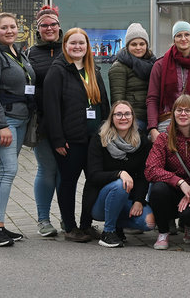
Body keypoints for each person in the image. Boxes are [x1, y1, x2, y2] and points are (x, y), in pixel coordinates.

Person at [44, 27, 110, 242]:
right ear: (65, 45)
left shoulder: (93, 70)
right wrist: (58, 139)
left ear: (87, 46)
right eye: (73, 43)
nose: (77, 47)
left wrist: (107, 131)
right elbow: (51, 108)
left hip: (93, 139)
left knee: (92, 182)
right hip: (70, 140)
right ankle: (70, 227)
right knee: (68, 183)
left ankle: (86, 225)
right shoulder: (58, 71)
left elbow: (103, 105)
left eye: (82, 43)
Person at [0, 12, 36, 247]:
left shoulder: (17, 53)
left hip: (21, 120)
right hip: (6, 121)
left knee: (5, 172)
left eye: (13, 26)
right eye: (4, 27)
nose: (10, 31)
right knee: (6, 171)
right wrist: (2, 126)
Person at [83, 101, 156, 248]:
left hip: (126, 199)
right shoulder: (100, 139)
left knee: (149, 222)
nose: (123, 118)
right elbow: (93, 175)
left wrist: (138, 200)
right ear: (112, 118)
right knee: (120, 184)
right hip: (99, 202)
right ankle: (108, 233)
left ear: (133, 117)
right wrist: (119, 173)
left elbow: (143, 175)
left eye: (127, 114)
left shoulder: (141, 141)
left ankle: (116, 225)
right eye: (118, 114)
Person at [145, 94, 190, 250]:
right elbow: (151, 169)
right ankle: (163, 232)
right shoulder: (164, 138)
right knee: (157, 189)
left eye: (188, 110)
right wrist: (179, 182)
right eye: (179, 110)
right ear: (173, 113)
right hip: (173, 189)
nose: (183, 114)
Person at [27, 5, 63, 237]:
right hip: (42, 121)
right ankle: (43, 219)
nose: (49, 28)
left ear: (59, 26)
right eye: (44, 25)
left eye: (52, 24)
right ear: (37, 29)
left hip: (69, 120)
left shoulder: (71, 46)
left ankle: (68, 219)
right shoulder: (30, 53)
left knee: (66, 172)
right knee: (47, 168)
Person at [146, 21, 190, 141]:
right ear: (174, 39)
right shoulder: (160, 65)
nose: (183, 38)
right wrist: (153, 128)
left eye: (187, 34)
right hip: (166, 123)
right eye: (179, 35)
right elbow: (152, 98)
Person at [109, 23, 156, 132]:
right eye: (134, 44)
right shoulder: (119, 67)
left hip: (151, 118)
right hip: (133, 121)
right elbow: (118, 101)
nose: (138, 47)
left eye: (142, 44)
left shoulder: (153, 63)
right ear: (127, 46)